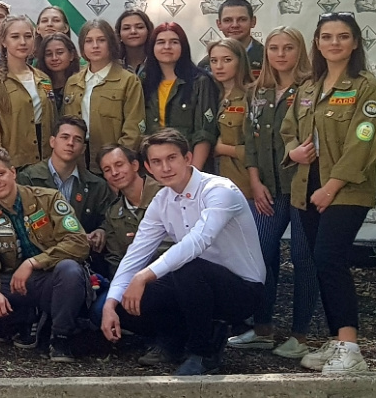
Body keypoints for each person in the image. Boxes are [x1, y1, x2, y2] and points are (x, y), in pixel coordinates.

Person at [101, 129, 266, 376]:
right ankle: (178, 339)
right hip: (195, 286)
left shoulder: (220, 190)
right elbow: (136, 253)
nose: (165, 167)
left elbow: (197, 242)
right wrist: (110, 304)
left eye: (172, 158)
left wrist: (144, 275)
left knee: (187, 266)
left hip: (243, 290)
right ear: (148, 167)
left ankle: (203, 354)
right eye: (157, 162)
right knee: (128, 302)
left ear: (187, 158)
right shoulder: (162, 201)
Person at [281, 12, 376, 374]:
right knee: (318, 260)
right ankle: (335, 340)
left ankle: (350, 347)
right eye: (326, 37)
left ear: (355, 43)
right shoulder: (309, 87)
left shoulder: (366, 88)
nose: (334, 43)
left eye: (343, 37)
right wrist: (293, 151)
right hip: (307, 189)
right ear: (317, 43)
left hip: (345, 190)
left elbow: (363, 143)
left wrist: (331, 187)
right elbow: (289, 129)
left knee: (330, 258)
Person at [230, 25, 319, 358]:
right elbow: (249, 141)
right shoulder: (258, 91)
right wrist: (254, 181)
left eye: (288, 48)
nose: (280, 55)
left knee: (302, 257)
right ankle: (263, 328)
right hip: (267, 188)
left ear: (301, 51)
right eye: (274, 48)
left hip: (301, 188)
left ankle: (301, 335)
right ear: (265, 53)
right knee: (260, 253)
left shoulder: (312, 88)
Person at [0, 146, 89, 362]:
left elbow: (78, 242)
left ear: (13, 172)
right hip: (16, 284)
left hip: (51, 278)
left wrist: (33, 262)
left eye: (1, 174)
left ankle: (60, 337)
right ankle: (27, 318)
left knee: (70, 270)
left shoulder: (48, 199)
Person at [89, 145, 162, 314]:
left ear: (135, 165)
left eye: (119, 164)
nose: (114, 172)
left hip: (167, 274)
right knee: (99, 312)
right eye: (107, 169)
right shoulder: (114, 213)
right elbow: (115, 259)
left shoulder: (163, 194)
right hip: (133, 280)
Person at [62, 20, 144, 169]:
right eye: (88, 41)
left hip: (112, 163)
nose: (95, 46)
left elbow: (134, 127)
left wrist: (119, 160)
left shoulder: (128, 81)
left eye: (101, 40)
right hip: (77, 161)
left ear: (111, 43)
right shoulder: (73, 82)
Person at [0, 16, 55, 168]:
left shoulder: (43, 78)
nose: (23, 42)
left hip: (46, 160)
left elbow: (52, 119)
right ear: (3, 41)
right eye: (15, 37)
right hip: (14, 162)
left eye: (28, 36)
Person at [142, 22, 218, 169]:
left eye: (174, 42)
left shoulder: (200, 81)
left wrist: (194, 173)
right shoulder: (144, 83)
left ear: (183, 47)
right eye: (160, 42)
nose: (167, 47)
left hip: (189, 166)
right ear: (152, 48)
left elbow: (204, 133)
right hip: (155, 169)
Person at [17, 116, 112, 229]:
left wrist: (101, 231)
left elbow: (108, 222)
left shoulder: (97, 185)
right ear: (52, 142)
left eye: (77, 139)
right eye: (65, 137)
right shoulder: (28, 179)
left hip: (83, 245)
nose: (70, 143)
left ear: (83, 149)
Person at [207, 37, 254, 198]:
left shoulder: (252, 96)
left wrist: (223, 149)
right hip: (212, 183)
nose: (219, 66)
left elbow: (262, 150)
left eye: (227, 60)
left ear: (240, 62)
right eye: (214, 60)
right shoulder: (209, 95)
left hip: (243, 184)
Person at [197, 0, 264, 75]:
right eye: (228, 20)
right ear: (219, 24)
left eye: (242, 19)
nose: (235, 25)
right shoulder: (206, 65)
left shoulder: (268, 59)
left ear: (253, 22)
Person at [36, 33, 78, 118]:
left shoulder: (81, 82)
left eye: (60, 52)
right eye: (48, 54)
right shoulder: (38, 83)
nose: (54, 58)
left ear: (71, 55)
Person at [115, 9, 154, 77]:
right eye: (126, 28)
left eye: (139, 27)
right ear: (119, 34)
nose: (133, 31)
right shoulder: (113, 65)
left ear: (148, 31)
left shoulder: (159, 62)